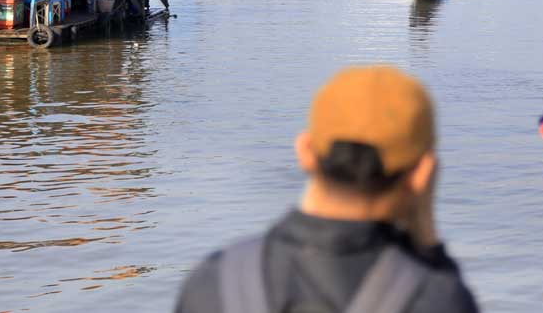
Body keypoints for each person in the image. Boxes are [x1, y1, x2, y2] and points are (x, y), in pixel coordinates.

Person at [176, 66, 479, 313]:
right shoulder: (436, 296)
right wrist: (429, 247)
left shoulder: (212, 282)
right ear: (423, 174)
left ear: (305, 151)